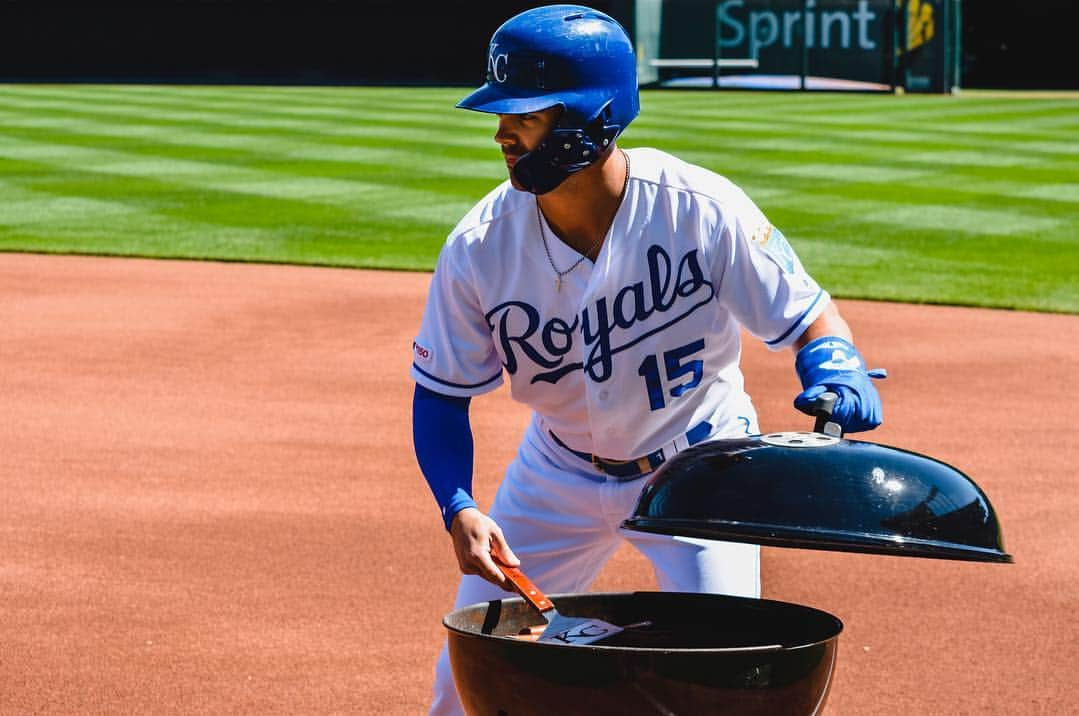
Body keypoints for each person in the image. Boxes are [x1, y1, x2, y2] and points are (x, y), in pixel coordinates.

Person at [410, 5, 884, 713]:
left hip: (700, 474)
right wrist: (458, 507)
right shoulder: (479, 246)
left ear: (589, 119)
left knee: (727, 675)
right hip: (554, 473)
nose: (501, 131)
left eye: (526, 114)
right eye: (501, 114)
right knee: (467, 677)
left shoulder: (697, 208)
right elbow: (440, 394)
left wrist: (836, 369)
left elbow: (810, 320)